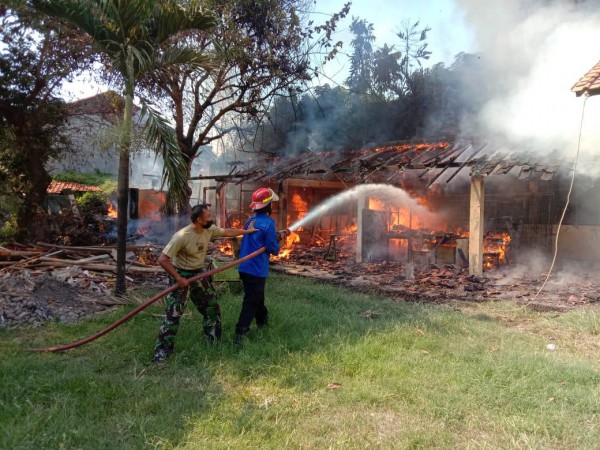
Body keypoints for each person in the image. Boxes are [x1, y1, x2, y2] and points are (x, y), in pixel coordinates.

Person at [153, 203, 256, 363]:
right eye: (209, 217)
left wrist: (247, 231)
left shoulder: (209, 230)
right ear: (200, 220)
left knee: (211, 307)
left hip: (199, 274)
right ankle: (162, 353)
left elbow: (227, 232)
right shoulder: (182, 236)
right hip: (181, 275)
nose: (212, 218)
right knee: (174, 314)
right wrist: (179, 279)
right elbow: (163, 259)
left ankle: (213, 342)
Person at [234, 188, 284, 345]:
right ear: (269, 206)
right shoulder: (269, 223)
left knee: (257, 297)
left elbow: (258, 238)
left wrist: (275, 236)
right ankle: (240, 333)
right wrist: (280, 240)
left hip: (244, 267)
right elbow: (273, 249)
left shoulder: (250, 220)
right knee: (252, 300)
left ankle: (263, 323)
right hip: (256, 269)